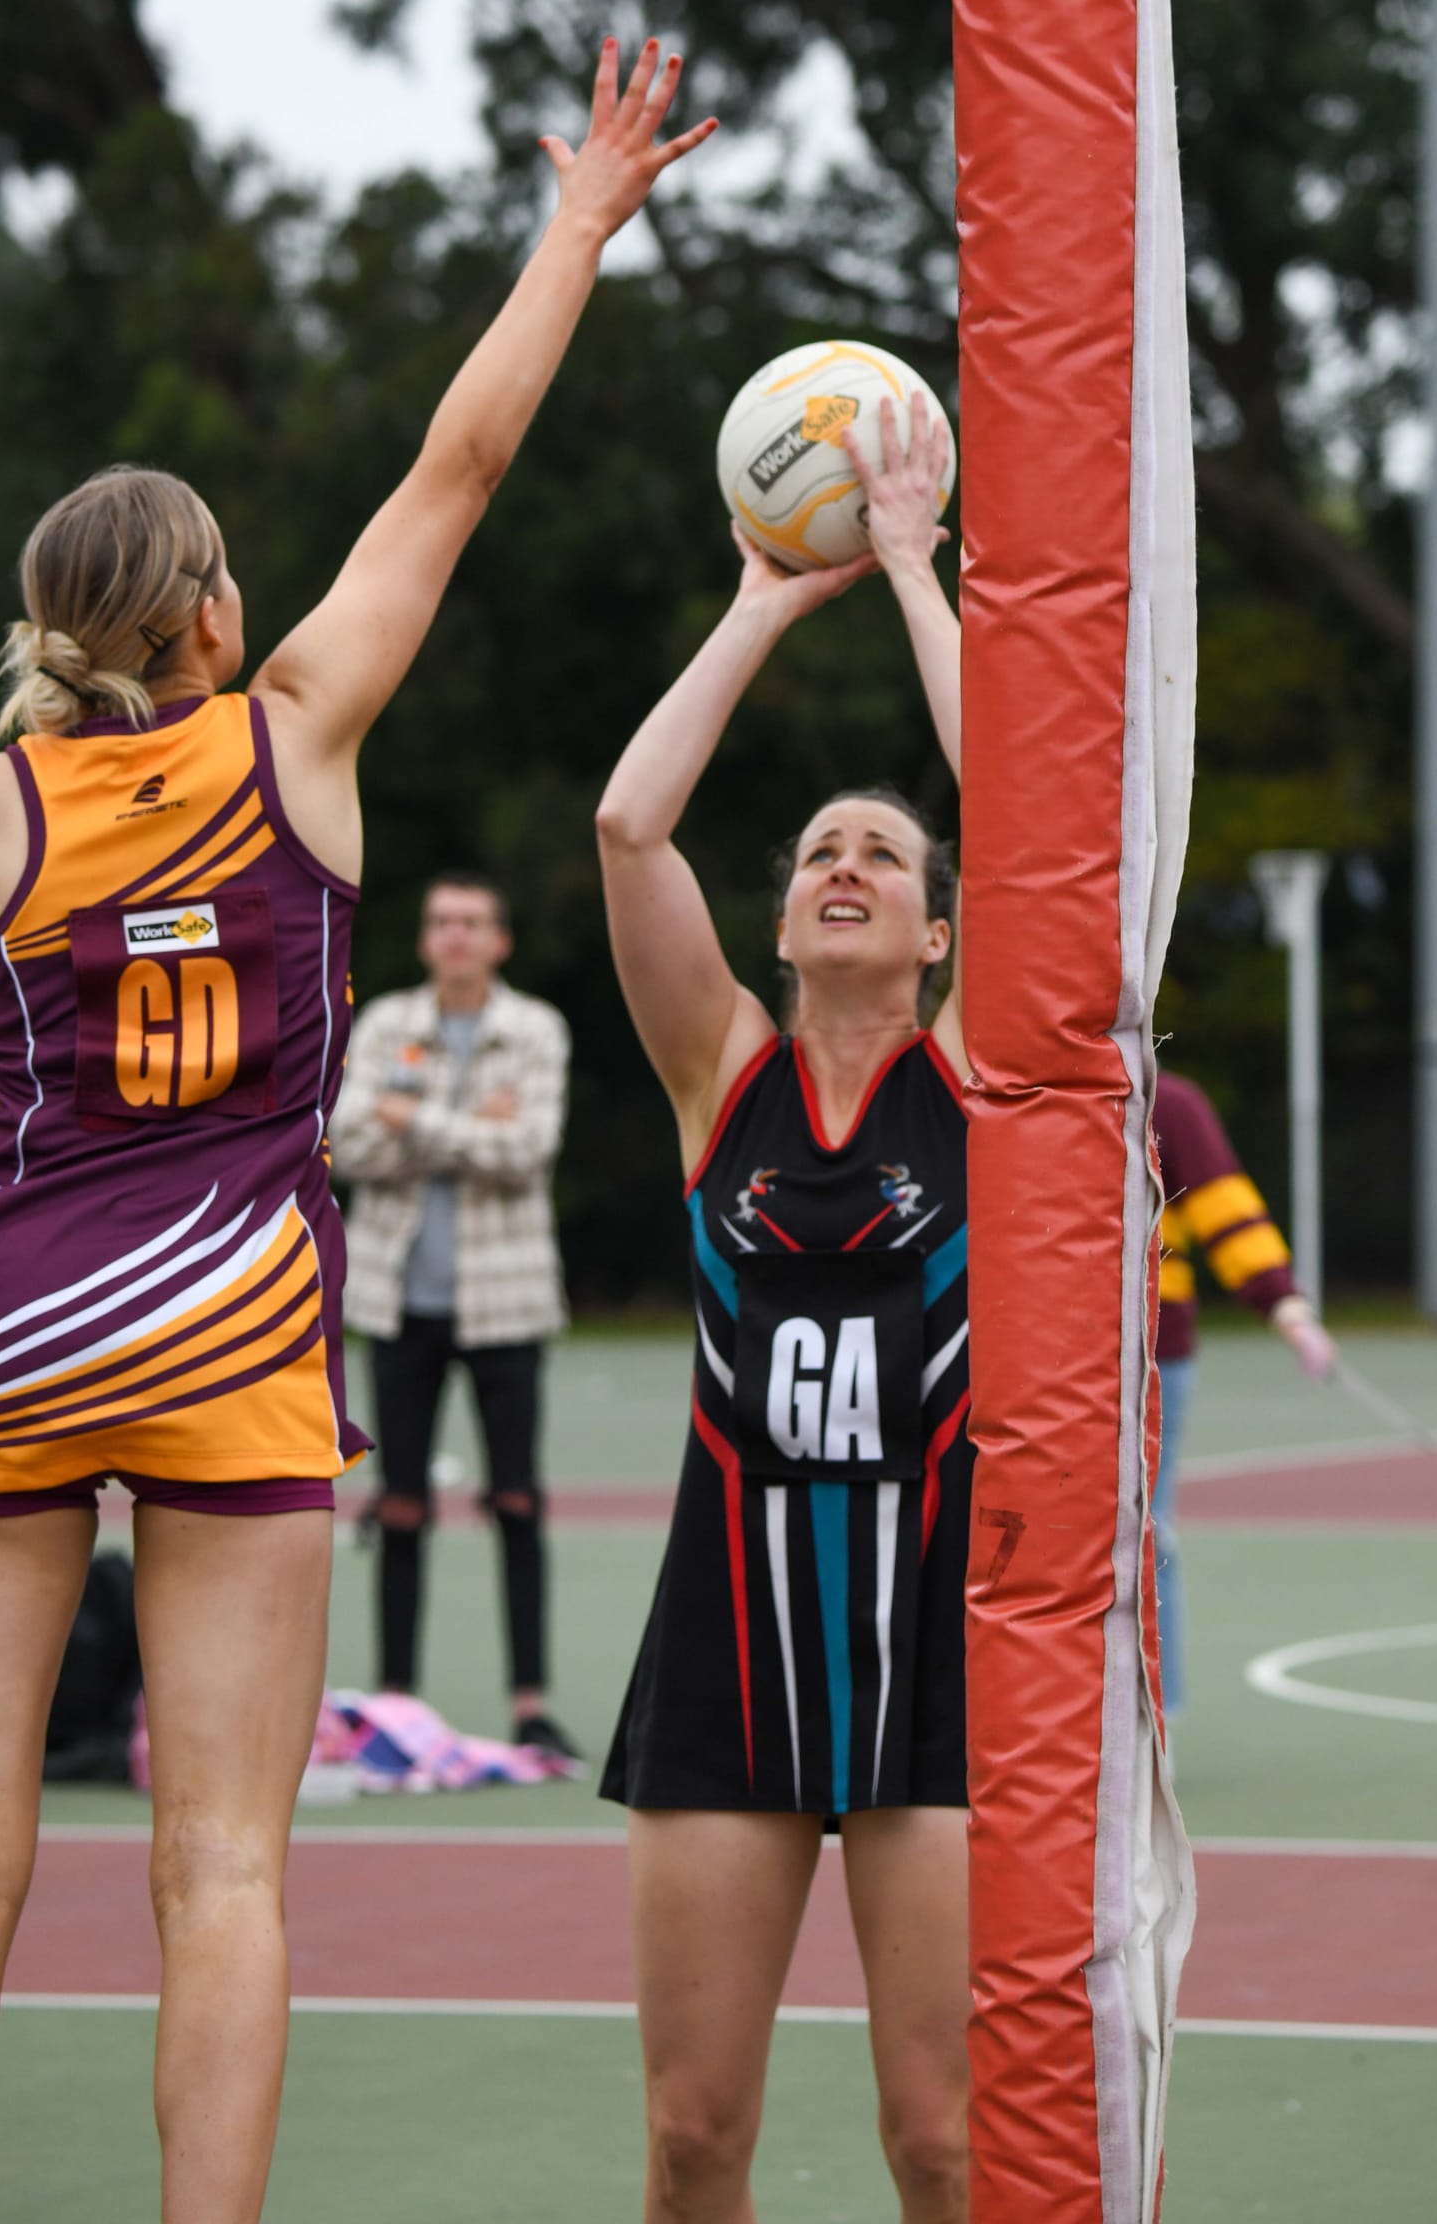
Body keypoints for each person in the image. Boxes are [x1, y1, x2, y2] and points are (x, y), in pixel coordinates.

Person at [0, 37, 711, 2224]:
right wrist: (577, 218)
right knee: (223, 1866)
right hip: (234, 1332)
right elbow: (462, 461)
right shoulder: (300, 730)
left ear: (45, 627)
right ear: (212, 617)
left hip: (14, 1325)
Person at [596, 390, 970, 2224]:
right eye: (820, 850)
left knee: (949, 2145)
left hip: (940, 1674)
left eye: (885, 857)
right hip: (725, 1662)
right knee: (691, 2141)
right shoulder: (720, 1078)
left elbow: (1054, 827)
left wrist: (910, 569)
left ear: (937, 934)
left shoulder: (985, 1086)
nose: (843, 865)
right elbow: (628, 823)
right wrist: (766, 593)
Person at [333, 870, 579, 1759]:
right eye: (442, 921)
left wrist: (413, 1119)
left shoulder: (536, 1029)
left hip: (506, 1303)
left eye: (474, 922)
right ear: (426, 938)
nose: (457, 936)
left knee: (517, 1500)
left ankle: (530, 1702)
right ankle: (397, 1704)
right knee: (398, 1504)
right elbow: (348, 1145)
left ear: (500, 940)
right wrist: (467, 1122)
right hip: (398, 1303)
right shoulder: (386, 1023)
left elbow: (528, 1152)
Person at [1149, 1069, 1336, 1718]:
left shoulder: (1165, 1101)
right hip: (1017, 1352)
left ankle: (1153, 1718)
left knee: (1146, 1533)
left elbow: (1223, 1207)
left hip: (1148, 1351)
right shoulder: (1005, 1084)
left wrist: (1281, 1302)